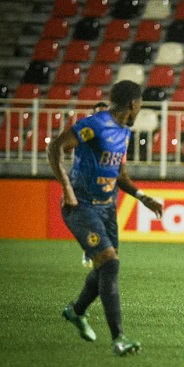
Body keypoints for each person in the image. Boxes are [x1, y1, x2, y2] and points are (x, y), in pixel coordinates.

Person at [47, 80, 164, 356]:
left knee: (104, 268)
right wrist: (67, 189)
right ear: (133, 104)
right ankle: (119, 339)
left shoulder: (124, 132)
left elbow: (119, 175)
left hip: (107, 208)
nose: (139, 111)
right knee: (109, 263)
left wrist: (142, 197)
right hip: (81, 206)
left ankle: (76, 311)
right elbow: (56, 147)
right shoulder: (96, 124)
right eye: (140, 106)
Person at [81, 101, 111, 269]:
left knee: (104, 219)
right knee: (93, 219)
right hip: (89, 181)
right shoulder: (87, 132)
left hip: (107, 183)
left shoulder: (115, 133)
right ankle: (90, 251)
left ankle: (101, 252)